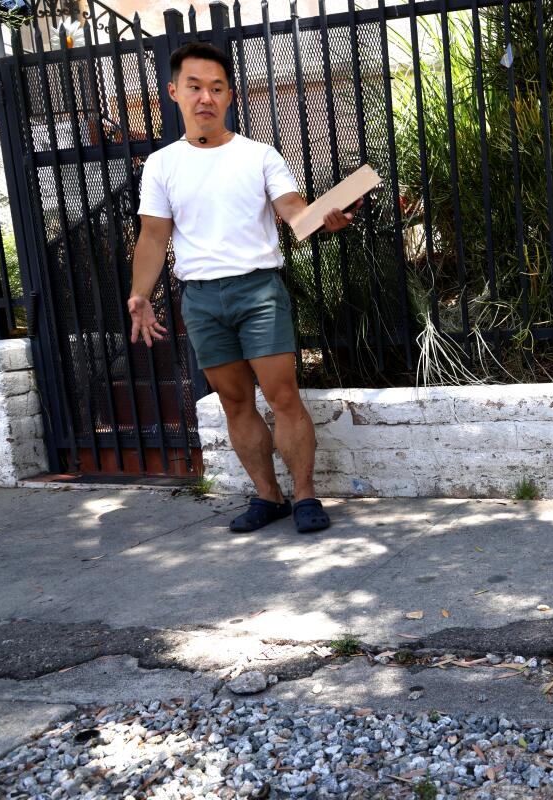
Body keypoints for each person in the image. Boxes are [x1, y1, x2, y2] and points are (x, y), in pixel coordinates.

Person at [128, 42, 357, 534]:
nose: (205, 97)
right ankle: (267, 496)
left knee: (283, 396)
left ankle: (304, 496)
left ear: (229, 95)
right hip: (203, 299)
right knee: (235, 402)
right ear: (174, 92)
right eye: (194, 87)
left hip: (258, 291)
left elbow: (294, 210)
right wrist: (140, 295)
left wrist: (324, 217)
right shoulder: (161, 165)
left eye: (215, 88)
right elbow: (153, 235)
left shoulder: (259, 155)